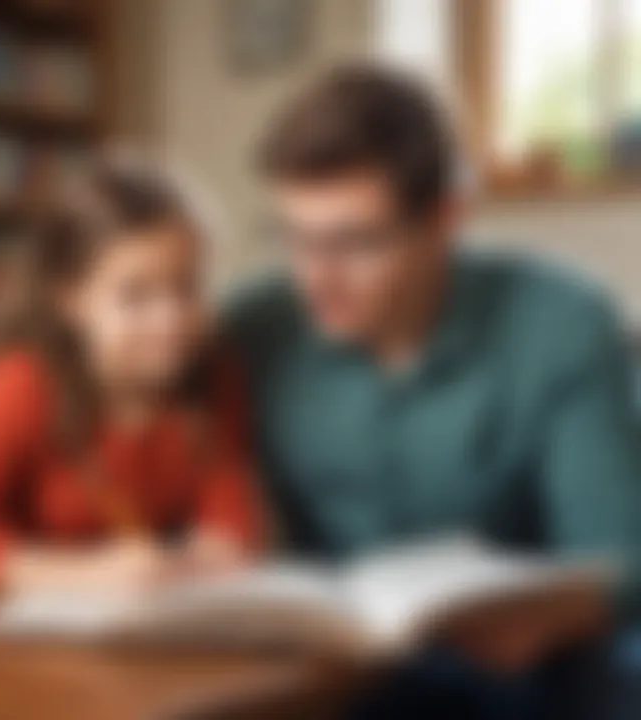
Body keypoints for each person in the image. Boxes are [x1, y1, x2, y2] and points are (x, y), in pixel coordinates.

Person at [225, 65, 641, 718]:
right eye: (294, 238)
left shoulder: (566, 322)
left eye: (356, 243)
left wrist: (554, 618)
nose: (317, 279)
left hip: (531, 662)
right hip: (346, 665)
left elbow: (623, 562)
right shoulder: (252, 328)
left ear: (446, 217)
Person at [0, 161, 263, 598]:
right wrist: (77, 575)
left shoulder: (216, 372)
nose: (172, 319)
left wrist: (218, 553)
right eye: (135, 296)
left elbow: (231, 520)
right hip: (24, 637)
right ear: (70, 300)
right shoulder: (22, 385)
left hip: (157, 625)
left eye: (188, 286)